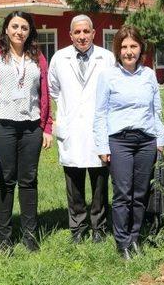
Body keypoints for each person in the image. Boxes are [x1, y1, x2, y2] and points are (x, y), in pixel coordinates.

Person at [0, 11, 53, 252]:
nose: (19, 31)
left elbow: (44, 93)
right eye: (14, 26)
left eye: (24, 27)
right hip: (2, 124)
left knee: (29, 180)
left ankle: (30, 235)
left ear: (30, 31)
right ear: (6, 29)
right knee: (5, 180)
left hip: (31, 125)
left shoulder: (37, 57)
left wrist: (47, 127)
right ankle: (4, 238)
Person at [93, 25, 164, 260]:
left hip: (146, 141)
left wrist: (160, 140)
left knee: (141, 192)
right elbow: (100, 113)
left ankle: (135, 237)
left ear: (140, 48)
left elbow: (157, 110)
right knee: (123, 192)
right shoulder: (108, 76)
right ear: (117, 50)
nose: (128, 51)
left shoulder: (149, 75)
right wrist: (102, 146)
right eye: (124, 47)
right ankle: (122, 241)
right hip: (120, 141)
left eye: (133, 46)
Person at [49, 15, 115, 244]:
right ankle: (77, 227)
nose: (82, 36)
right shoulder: (59, 58)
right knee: (73, 183)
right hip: (72, 129)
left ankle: (99, 227)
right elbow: (54, 90)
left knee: (99, 183)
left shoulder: (107, 58)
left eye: (86, 31)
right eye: (77, 32)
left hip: (98, 130)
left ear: (94, 33)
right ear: (70, 35)